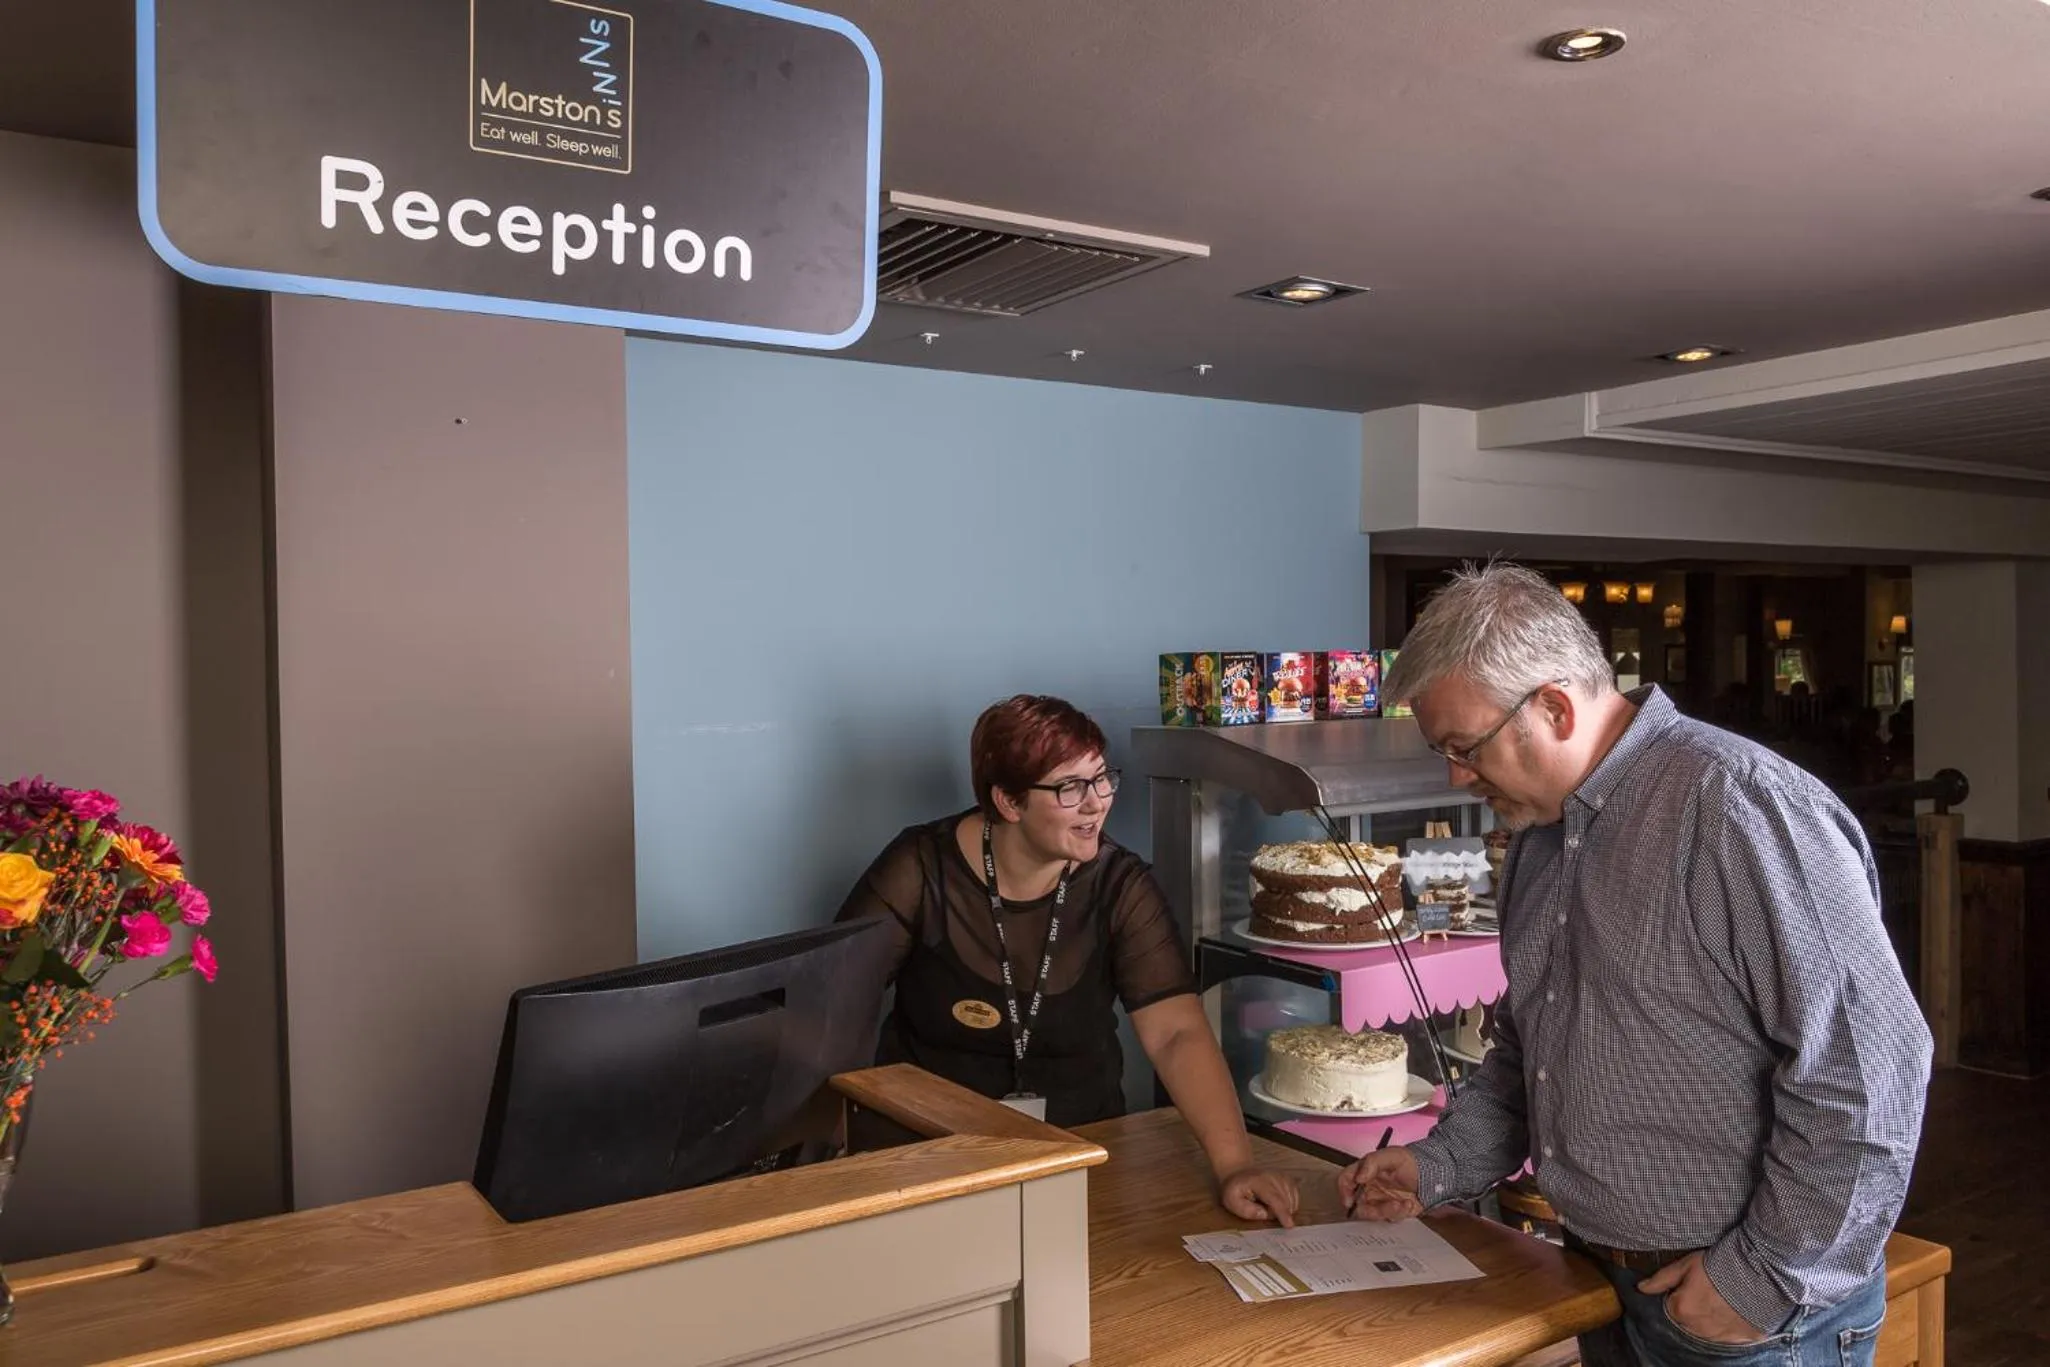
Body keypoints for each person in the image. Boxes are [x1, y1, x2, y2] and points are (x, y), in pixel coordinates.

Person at [1336, 563, 1929, 1367]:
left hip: (1750, 1315)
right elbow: (1529, 1054)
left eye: (1465, 748)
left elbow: (1870, 1068)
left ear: (1553, 707)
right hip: (1603, 1281)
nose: (1455, 776)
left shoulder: (1738, 802)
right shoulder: (1539, 840)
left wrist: (1758, 1281)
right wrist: (1434, 1164)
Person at [836, 694, 1300, 1226]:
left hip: (1077, 1152)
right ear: (1009, 802)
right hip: (930, 1159)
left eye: (1102, 779)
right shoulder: (920, 867)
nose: (1097, 803)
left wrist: (1235, 1165)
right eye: (1069, 787)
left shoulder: (1120, 885)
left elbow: (1176, 1033)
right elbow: (831, 1010)